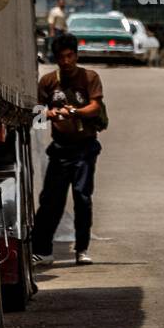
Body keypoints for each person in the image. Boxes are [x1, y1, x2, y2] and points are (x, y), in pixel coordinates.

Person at [32, 33, 104, 266]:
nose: (66, 61)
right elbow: (36, 113)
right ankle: (43, 251)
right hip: (60, 149)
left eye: (70, 56)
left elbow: (95, 106)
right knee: (51, 201)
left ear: (76, 55)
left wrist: (74, 112)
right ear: (56, 58)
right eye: (61, 57)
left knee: (82, 198)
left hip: (85, 148)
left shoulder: (89, 77)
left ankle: (82, 249)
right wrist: (49, 113)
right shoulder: (48, 82)